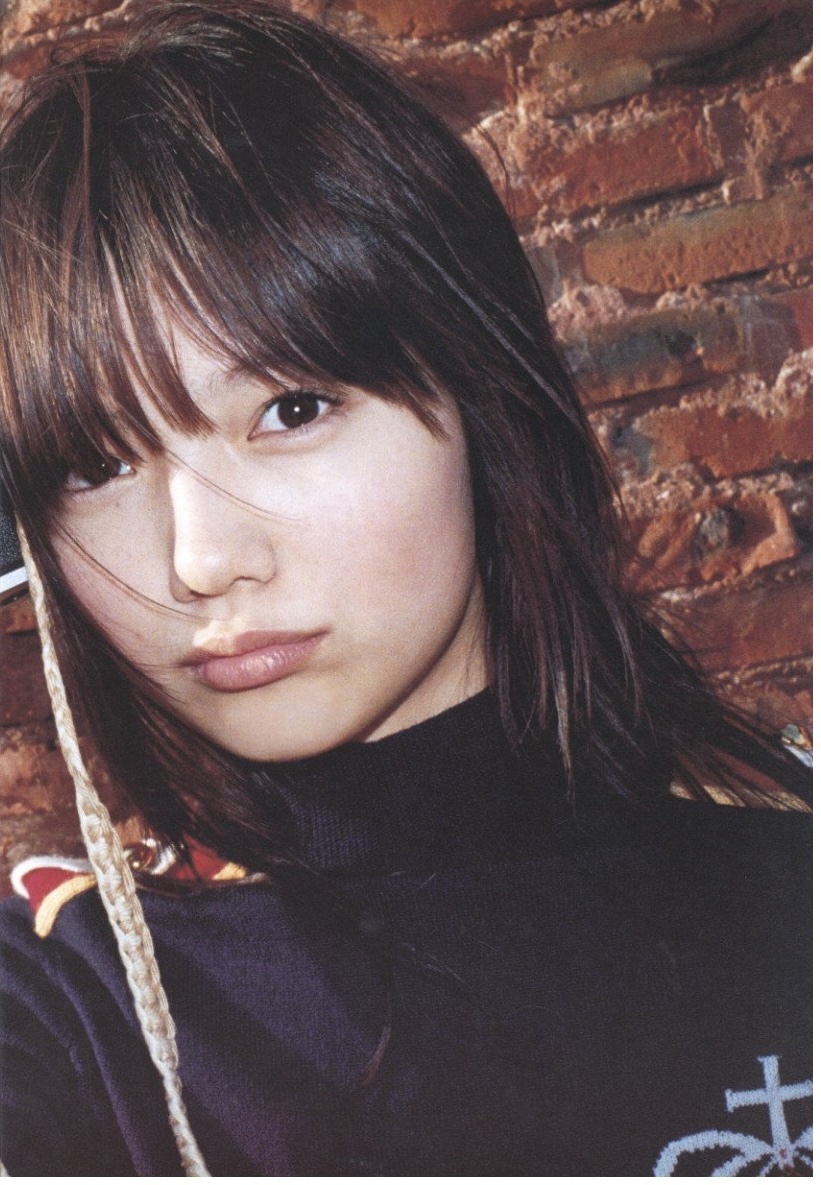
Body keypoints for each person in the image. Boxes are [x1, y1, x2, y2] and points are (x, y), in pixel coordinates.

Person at [0, 2, 811, 1176]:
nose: (199, 563)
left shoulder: (785, 894)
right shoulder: (74, 1004)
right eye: (94, 465)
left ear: (483, 391)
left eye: (290, 410)